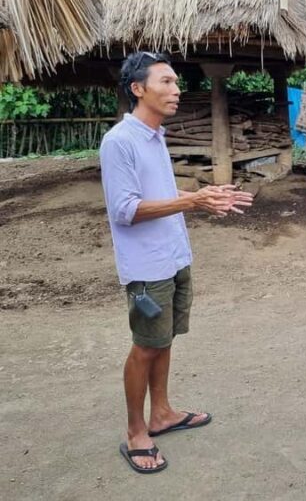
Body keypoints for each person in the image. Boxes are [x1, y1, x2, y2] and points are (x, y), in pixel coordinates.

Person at [100, 51, 253, 473]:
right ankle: (136, 432)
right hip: (146, 266)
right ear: (138, 89)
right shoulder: (120, 141)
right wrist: (193, 200)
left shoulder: (156, 135)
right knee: (145, 346)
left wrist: (206, 197)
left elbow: (160, 194)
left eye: (175, 82)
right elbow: (125, 210)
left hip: (172, 255)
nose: (176, 89)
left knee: (164, 339)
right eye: (165, 82)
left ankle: (162, 412)